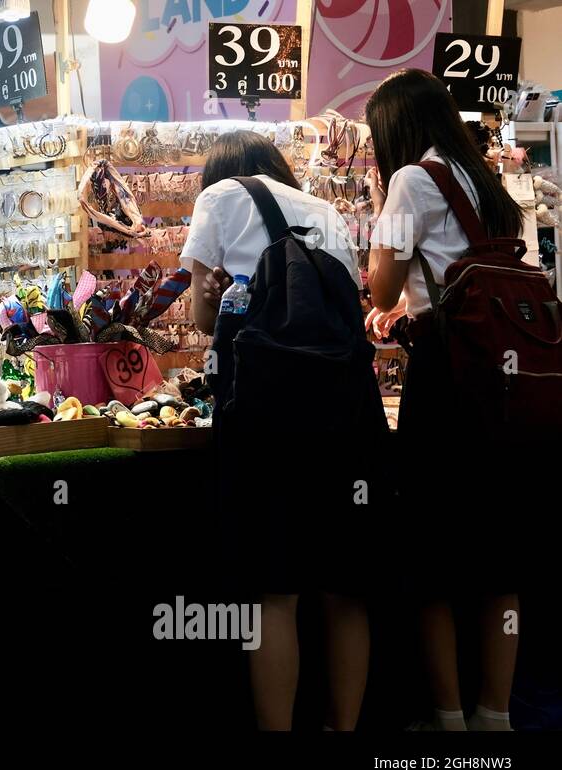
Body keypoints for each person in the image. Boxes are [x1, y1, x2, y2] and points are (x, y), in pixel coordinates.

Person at [181, 130, 374, 731]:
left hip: (268, 414)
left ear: (221, 171)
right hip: (348, 411)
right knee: (345, 589)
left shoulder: (218, 198)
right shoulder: (326, 211)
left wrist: (214, 295)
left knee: (275, 593)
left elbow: (201, 316)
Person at [363, 68, 523, 732]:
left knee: (430, 554)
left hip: (447, 375)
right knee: (496, 556)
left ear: (396, 129)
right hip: (505, 381)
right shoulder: (488, 184)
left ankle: (448, 717)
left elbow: (380, 285)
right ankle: (496, 713)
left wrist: (380, 212)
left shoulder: (411, 180)